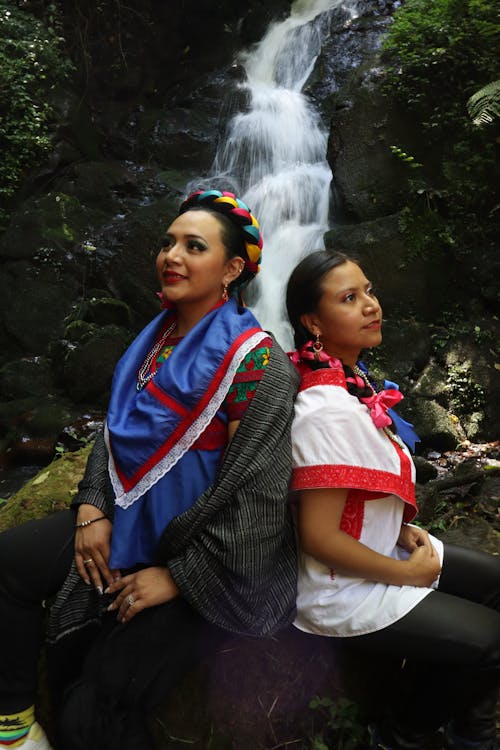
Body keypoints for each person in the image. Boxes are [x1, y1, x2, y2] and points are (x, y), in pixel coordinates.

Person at [0, 189, 299, 750]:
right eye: (167, 243)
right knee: (9, 564)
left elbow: (255, 496)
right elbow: (115, 431)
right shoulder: (153, 340)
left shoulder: (258, 362)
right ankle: (15, 730)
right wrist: (91, 505)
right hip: (127, 520)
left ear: (233, 269)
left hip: (205, 557)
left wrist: (179, 579)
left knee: (97, 704)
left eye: (193, 246)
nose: (172, 256)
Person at [285, 249, 500, 750]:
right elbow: (316, 535)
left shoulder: (352, 387)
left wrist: (395, 526)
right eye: (349, 298)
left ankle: (471, 726)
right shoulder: (326, 410)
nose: (370, 305)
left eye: (369, 291)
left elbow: (355, 489)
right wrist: (409, 574)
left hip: (380, 548)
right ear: (313, 322)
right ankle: (404, 735)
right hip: (339, 590)